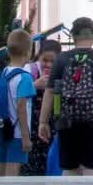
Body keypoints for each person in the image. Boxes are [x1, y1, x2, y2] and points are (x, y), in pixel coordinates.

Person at [38, 17, 93, 176]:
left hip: (67, 125)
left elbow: (49, 91)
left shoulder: (61, 59)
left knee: (70, 172)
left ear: (72, 36)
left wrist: (43, 122)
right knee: (92, 174)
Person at [0, 29, 35, 177]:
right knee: (12, 174)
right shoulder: (25, 78)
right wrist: (25, 137)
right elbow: (21, 106)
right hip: (17, 133)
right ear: (28, 53)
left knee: (0, 169)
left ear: (8, 51)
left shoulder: (2, 73)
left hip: (2, 130)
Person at [22, 38, 62, 176]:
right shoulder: (30, 70)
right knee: (33, 155)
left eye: (53, 61)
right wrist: (35, 85)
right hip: (32, 122)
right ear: (38, 56)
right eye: (45, 60)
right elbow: (19, 93)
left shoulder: (62, 71)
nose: (48, 65)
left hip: (52, 121)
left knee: (50, 152)